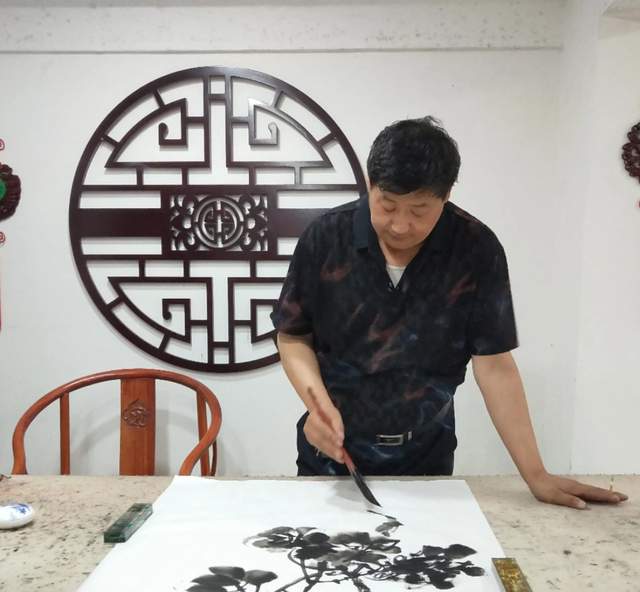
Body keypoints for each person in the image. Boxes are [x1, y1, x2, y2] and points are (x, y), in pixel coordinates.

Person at [271, 116, 626, 509]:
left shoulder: (475, 249)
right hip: (331, 458)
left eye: (419, 210)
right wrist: (317, 405)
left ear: (446, 195)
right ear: (370, 185)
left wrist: (536, 475)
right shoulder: (325, 238)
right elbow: (293, 336)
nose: (401, 225)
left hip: (427, 458)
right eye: (387, 206)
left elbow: (494, 364)